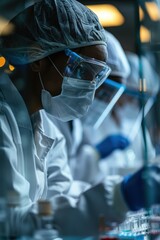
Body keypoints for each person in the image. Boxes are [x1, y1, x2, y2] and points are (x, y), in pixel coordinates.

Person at [1, 0, 160, 238]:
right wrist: (119, 196)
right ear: (38, 58)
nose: (92, 89)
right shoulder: (4, 122)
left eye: (97, 78)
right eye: (83, 71)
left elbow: (60, 197)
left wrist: (127, 211)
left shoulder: (46, 128)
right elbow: (12, 226)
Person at [84, 51, 159, 177]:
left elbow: (148, 159)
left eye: (137, 98)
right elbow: (79, 170)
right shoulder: (91, 119)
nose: (133, 102)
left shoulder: (132, 123)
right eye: (131, 96)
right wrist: (97, 153)